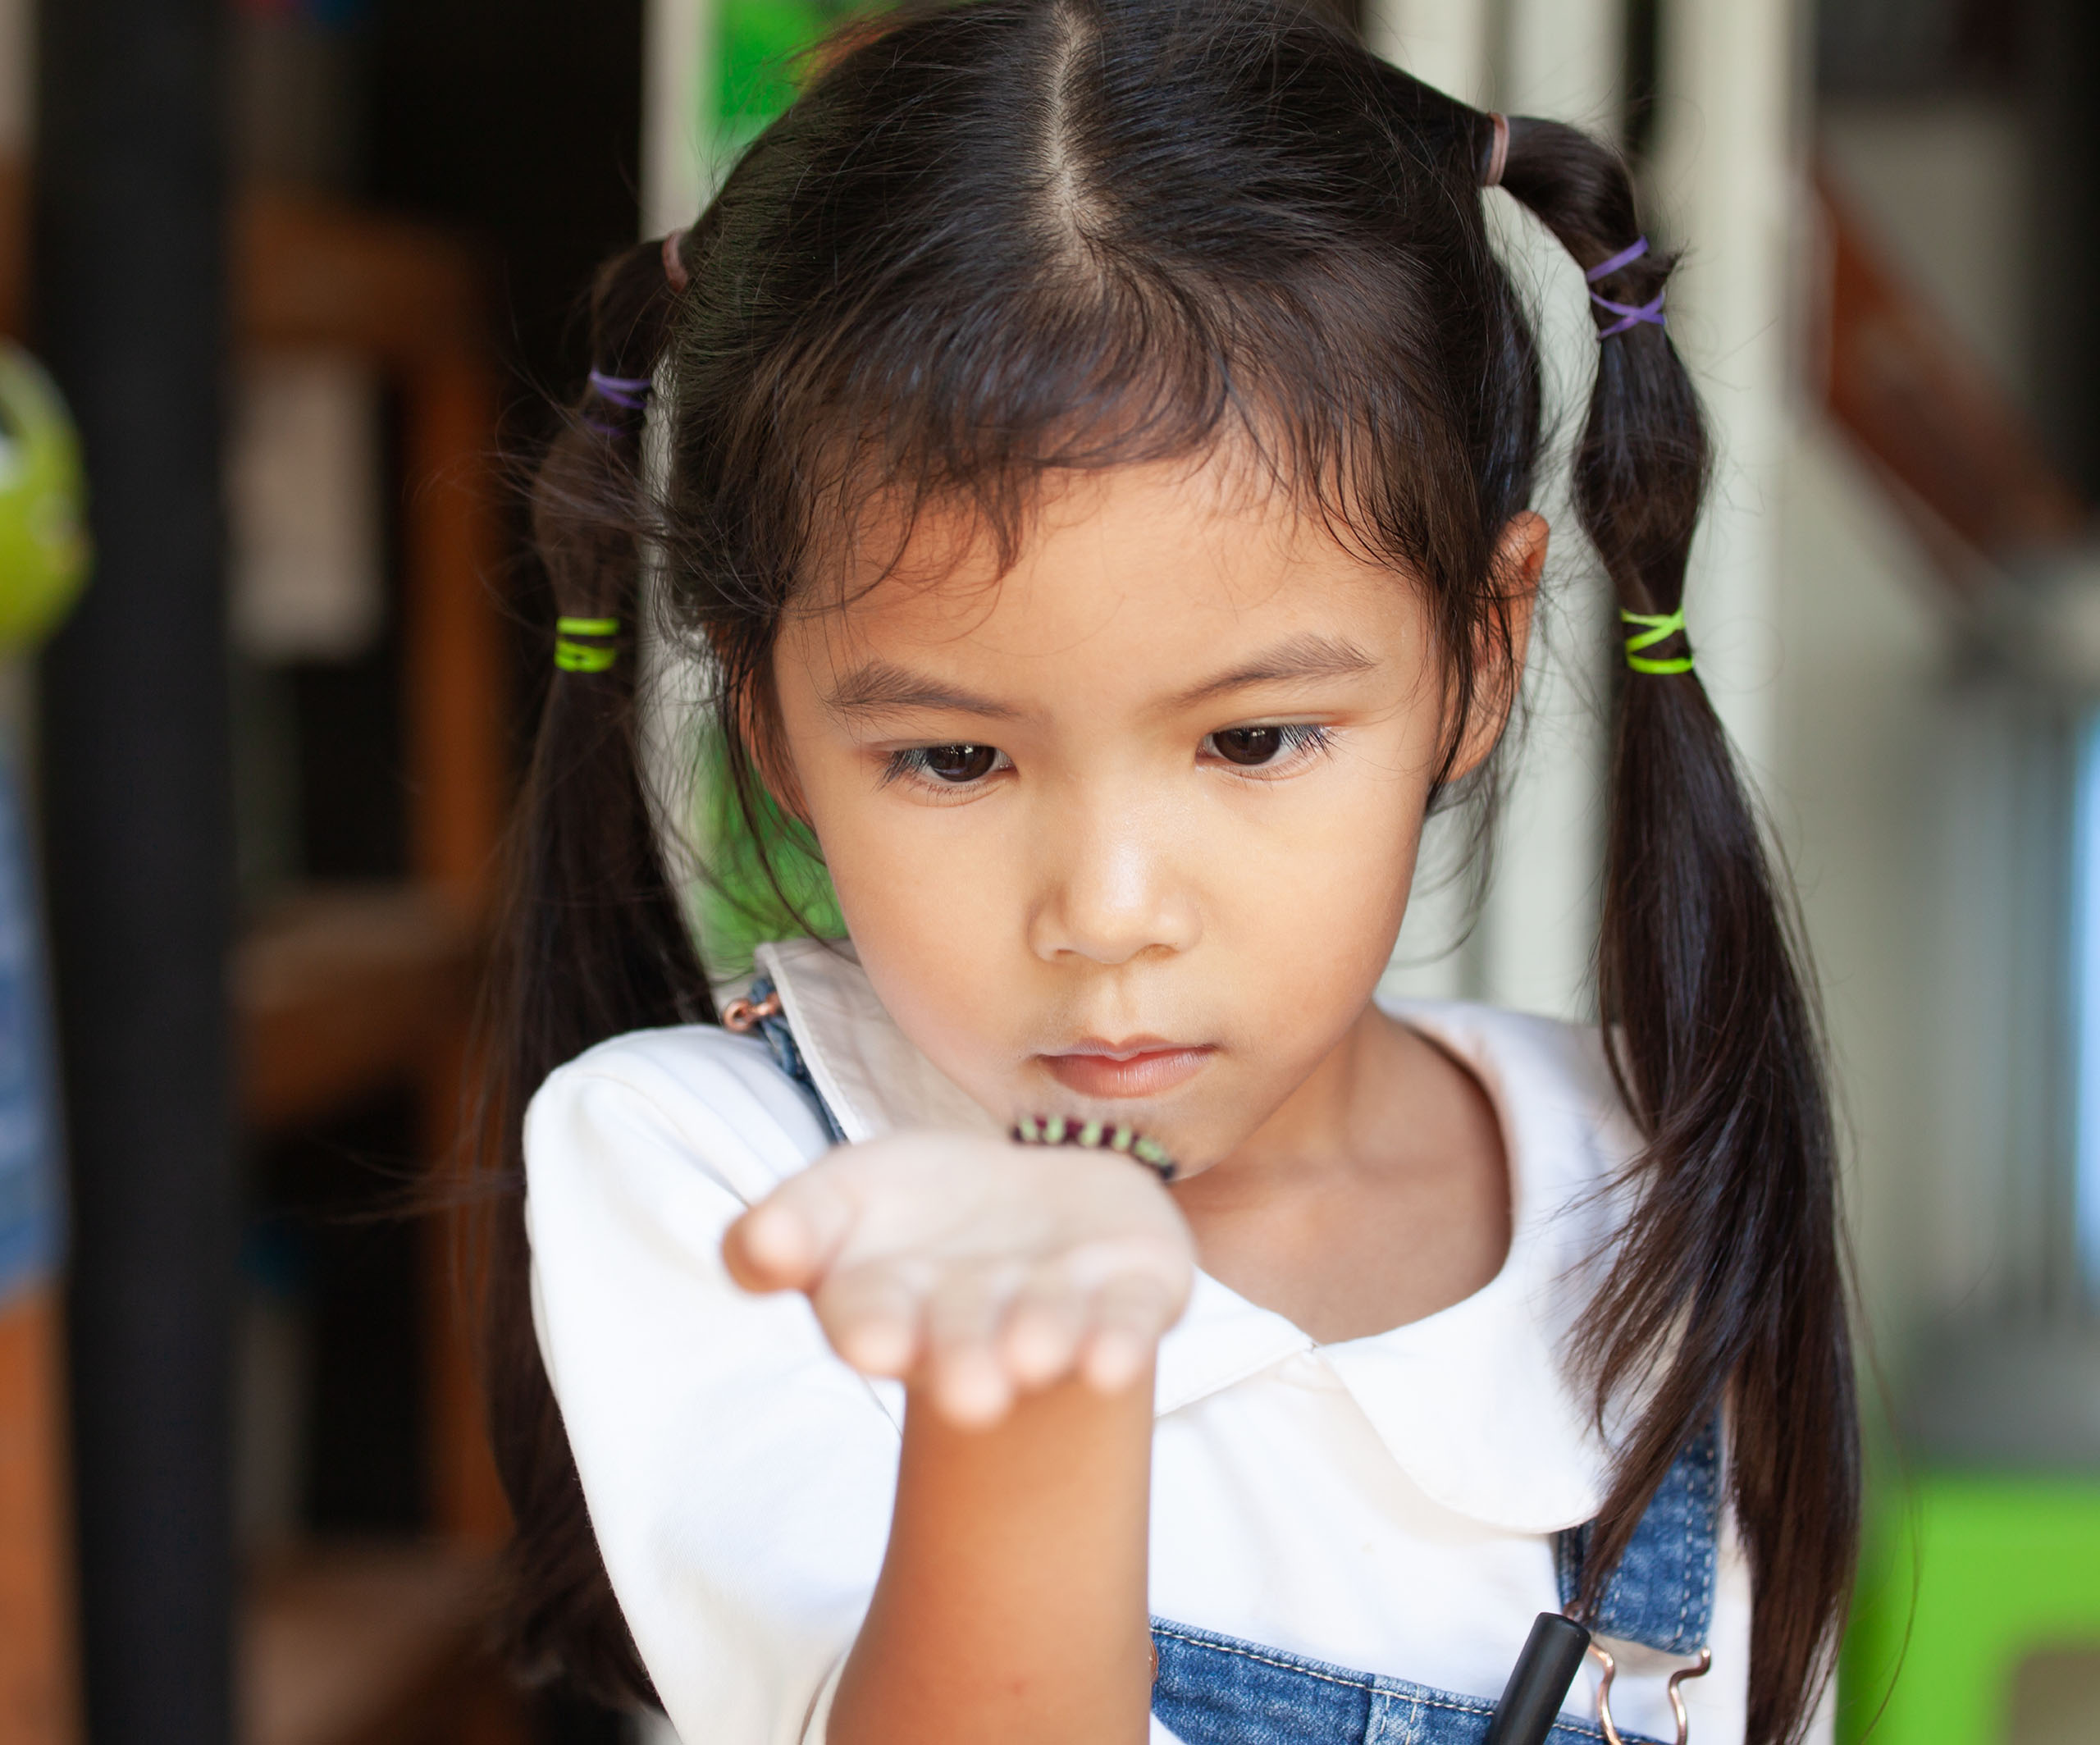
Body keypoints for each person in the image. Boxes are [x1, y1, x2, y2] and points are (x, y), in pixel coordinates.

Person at [482, 2, 1858, 1742]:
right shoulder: (715, 1178)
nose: (1109, 908)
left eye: (1253, 739)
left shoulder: (1644, 1169)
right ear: (766, 723)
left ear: (1479, 651)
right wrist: (1034, 1378)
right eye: (954, 757)